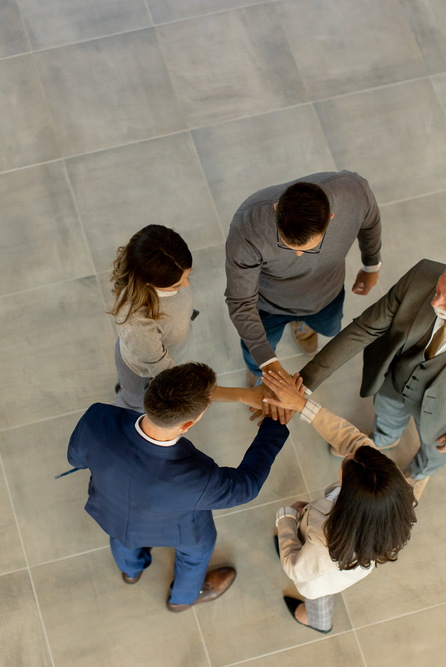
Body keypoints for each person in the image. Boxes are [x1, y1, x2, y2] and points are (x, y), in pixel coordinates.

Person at [298, 248, 446, 499]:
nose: (435, 302)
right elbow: (364, 329)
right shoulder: (422, 274)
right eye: (438, 289)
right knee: (386, 416)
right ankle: (384, 439)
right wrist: (306, 380)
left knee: (434, 453)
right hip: (395, 381)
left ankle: (419, 474)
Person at [67, 362, 289, 611]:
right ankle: (182, 599)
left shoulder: (97, 418)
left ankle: (131, 571)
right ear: (187, 425)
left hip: (112, 510)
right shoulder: (198, 477)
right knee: (198, 551)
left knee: (121, 538)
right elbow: (246, 486)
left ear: (151, 386)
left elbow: (75, 458)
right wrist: (274, 425)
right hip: (178, 531)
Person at [259, 371, 415, 633]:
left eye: (346, 461)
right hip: (351, 560)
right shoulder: (386, 485)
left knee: (317, 593)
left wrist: (287, 518)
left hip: (323, 573)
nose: (347, 452)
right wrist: (300, 403)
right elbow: (352, 440)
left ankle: (318, 620)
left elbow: (296, 569)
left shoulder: (323, 541)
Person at [224, 172, 382, 392]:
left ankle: (305, 325)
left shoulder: (355, 193)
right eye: (288, 244)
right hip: (268, 306)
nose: (298, 255)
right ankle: (257, 374)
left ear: (331, 217)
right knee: (256, 352)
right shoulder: (248, 227)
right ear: (278, 208)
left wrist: (371, 265)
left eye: (308, 248)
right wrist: (268, 363)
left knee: (329, 328)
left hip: (326, 295)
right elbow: (240, 301)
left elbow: (370, 220)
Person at [110, 225, 195, 411]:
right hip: (141, 374)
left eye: (187, 277)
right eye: (177, 285)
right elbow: (170, 374)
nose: (187, 284)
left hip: (158, 353)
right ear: (150, 282)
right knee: (134, 404)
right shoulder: (137, 324)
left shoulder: (167, 267)